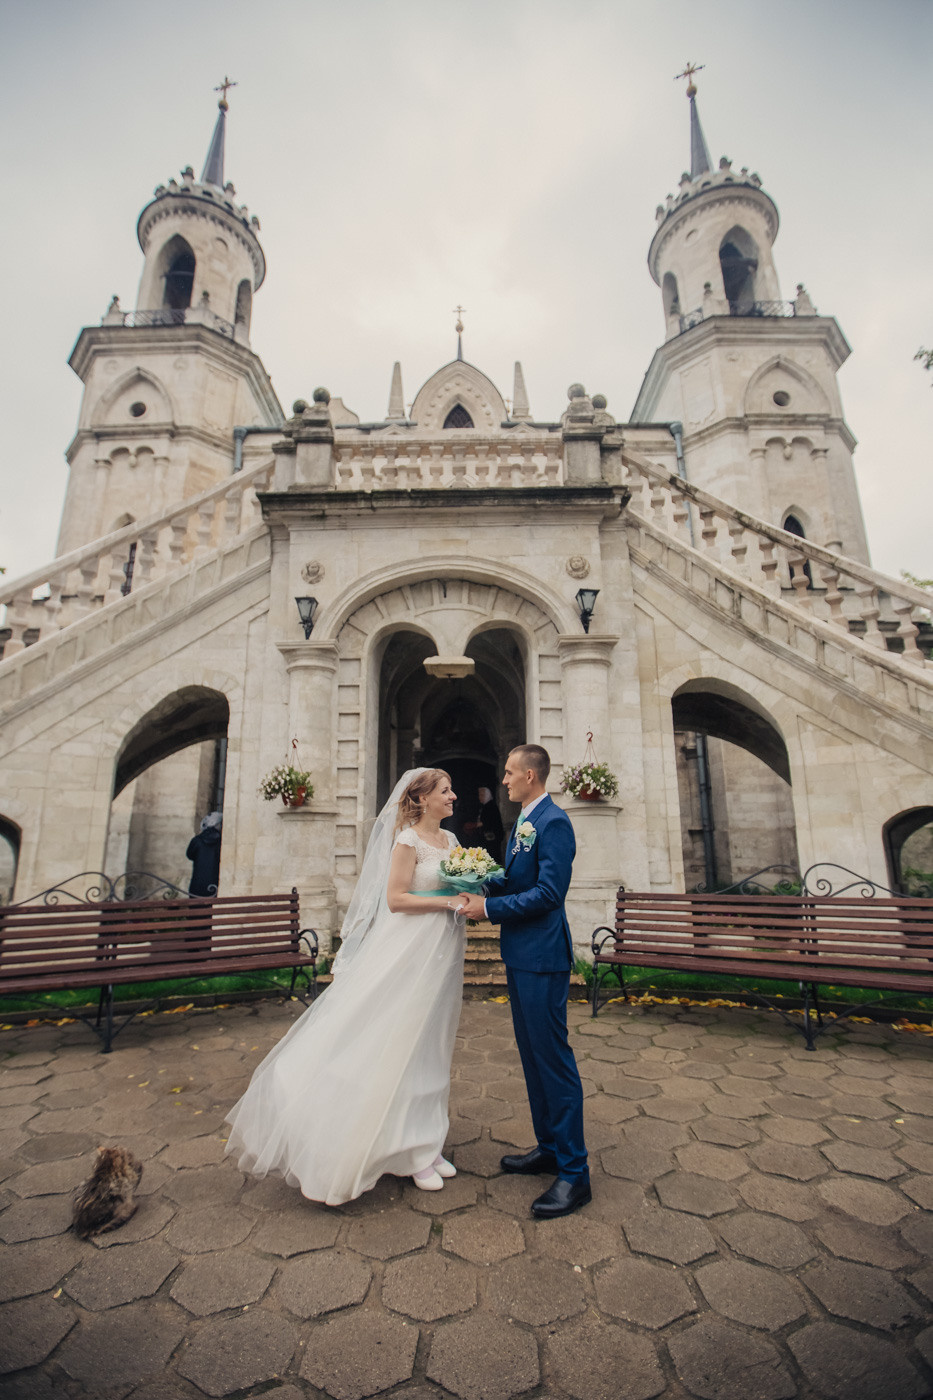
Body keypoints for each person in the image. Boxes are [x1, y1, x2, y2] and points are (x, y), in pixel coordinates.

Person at [224, 769, 468, 1205]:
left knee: (431, 1045)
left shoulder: (451, 843)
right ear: (423, 798)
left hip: (442, 951)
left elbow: (457, 883)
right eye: (445, 790)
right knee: (398, 1043)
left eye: (451, 790)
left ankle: (425, 1143)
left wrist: (471, 889)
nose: (454, 795)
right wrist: (450, 900)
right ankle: (401, 1151)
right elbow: (396, 899)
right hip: (407, 951)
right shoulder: (407, 840)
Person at [459, 744, 589, 1219]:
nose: (505, 779)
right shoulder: (522, 823)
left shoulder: (554, 822)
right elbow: (518, 880)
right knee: (533, 1059)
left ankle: (575, 1174)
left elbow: (550, 894)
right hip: (520, 955)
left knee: (554, 1061)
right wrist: (481, 880)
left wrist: (488, 909)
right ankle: (550, 1148)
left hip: (543, 958)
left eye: (511, 772)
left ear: (531, 776)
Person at [463, 785, 505, 863]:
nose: (480, 797)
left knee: (493, 858)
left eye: (482, 795)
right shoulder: (485, 806)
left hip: (491, 840)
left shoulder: (491, 806)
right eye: (479, 795)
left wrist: (472, 825)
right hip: (486, 839)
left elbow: (489, 821)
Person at [186, 812, 222, 896]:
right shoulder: (221, 842)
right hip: (214, 885)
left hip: (197, 885)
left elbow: (189, 855)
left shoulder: (197, 840)